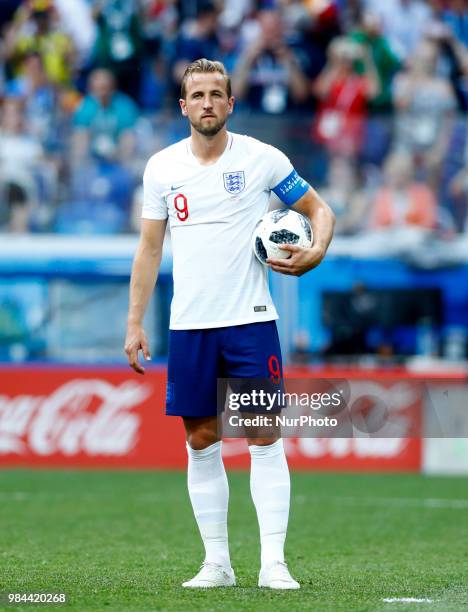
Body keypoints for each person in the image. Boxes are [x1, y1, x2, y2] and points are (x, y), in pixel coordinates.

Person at [124, 58, 335, 589]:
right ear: (183, 106)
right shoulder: (162, 169)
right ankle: (216, 563)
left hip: (251, 321)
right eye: (197, 96)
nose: (208, 103)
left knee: (264, 436)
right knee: (200, 439)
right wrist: (134, 323)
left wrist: (316, 252)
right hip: (190, 325)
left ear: (231, 103)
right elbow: (149, 249)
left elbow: (320, 210)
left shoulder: (262, 159)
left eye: (217, 94)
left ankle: (273, 564)